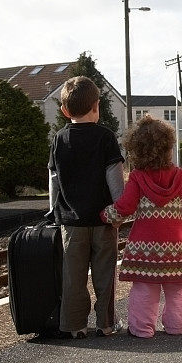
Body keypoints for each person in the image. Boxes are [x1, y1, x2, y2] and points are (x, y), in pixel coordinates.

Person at [100, 115, 182, 338]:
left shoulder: (137, 177)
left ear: (137, 150)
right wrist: (176, 215)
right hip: (176, 247)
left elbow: (125, 207)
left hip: (144, 249)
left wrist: (105, 214)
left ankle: (142, 328)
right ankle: (176, 327)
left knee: (145, 288)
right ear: (168, 146)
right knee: (177, 289)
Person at [48, 76, 125, 339]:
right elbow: (114, 177)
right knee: (105, 276)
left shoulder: (59, 139)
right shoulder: (105, 137)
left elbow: (54, 180)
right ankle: (106, 324)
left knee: (73, 278)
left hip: (71, 224)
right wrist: (119, 214)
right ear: (97, 106)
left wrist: (53, 211)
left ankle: (75, 325)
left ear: (64, 111)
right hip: (104, 221)